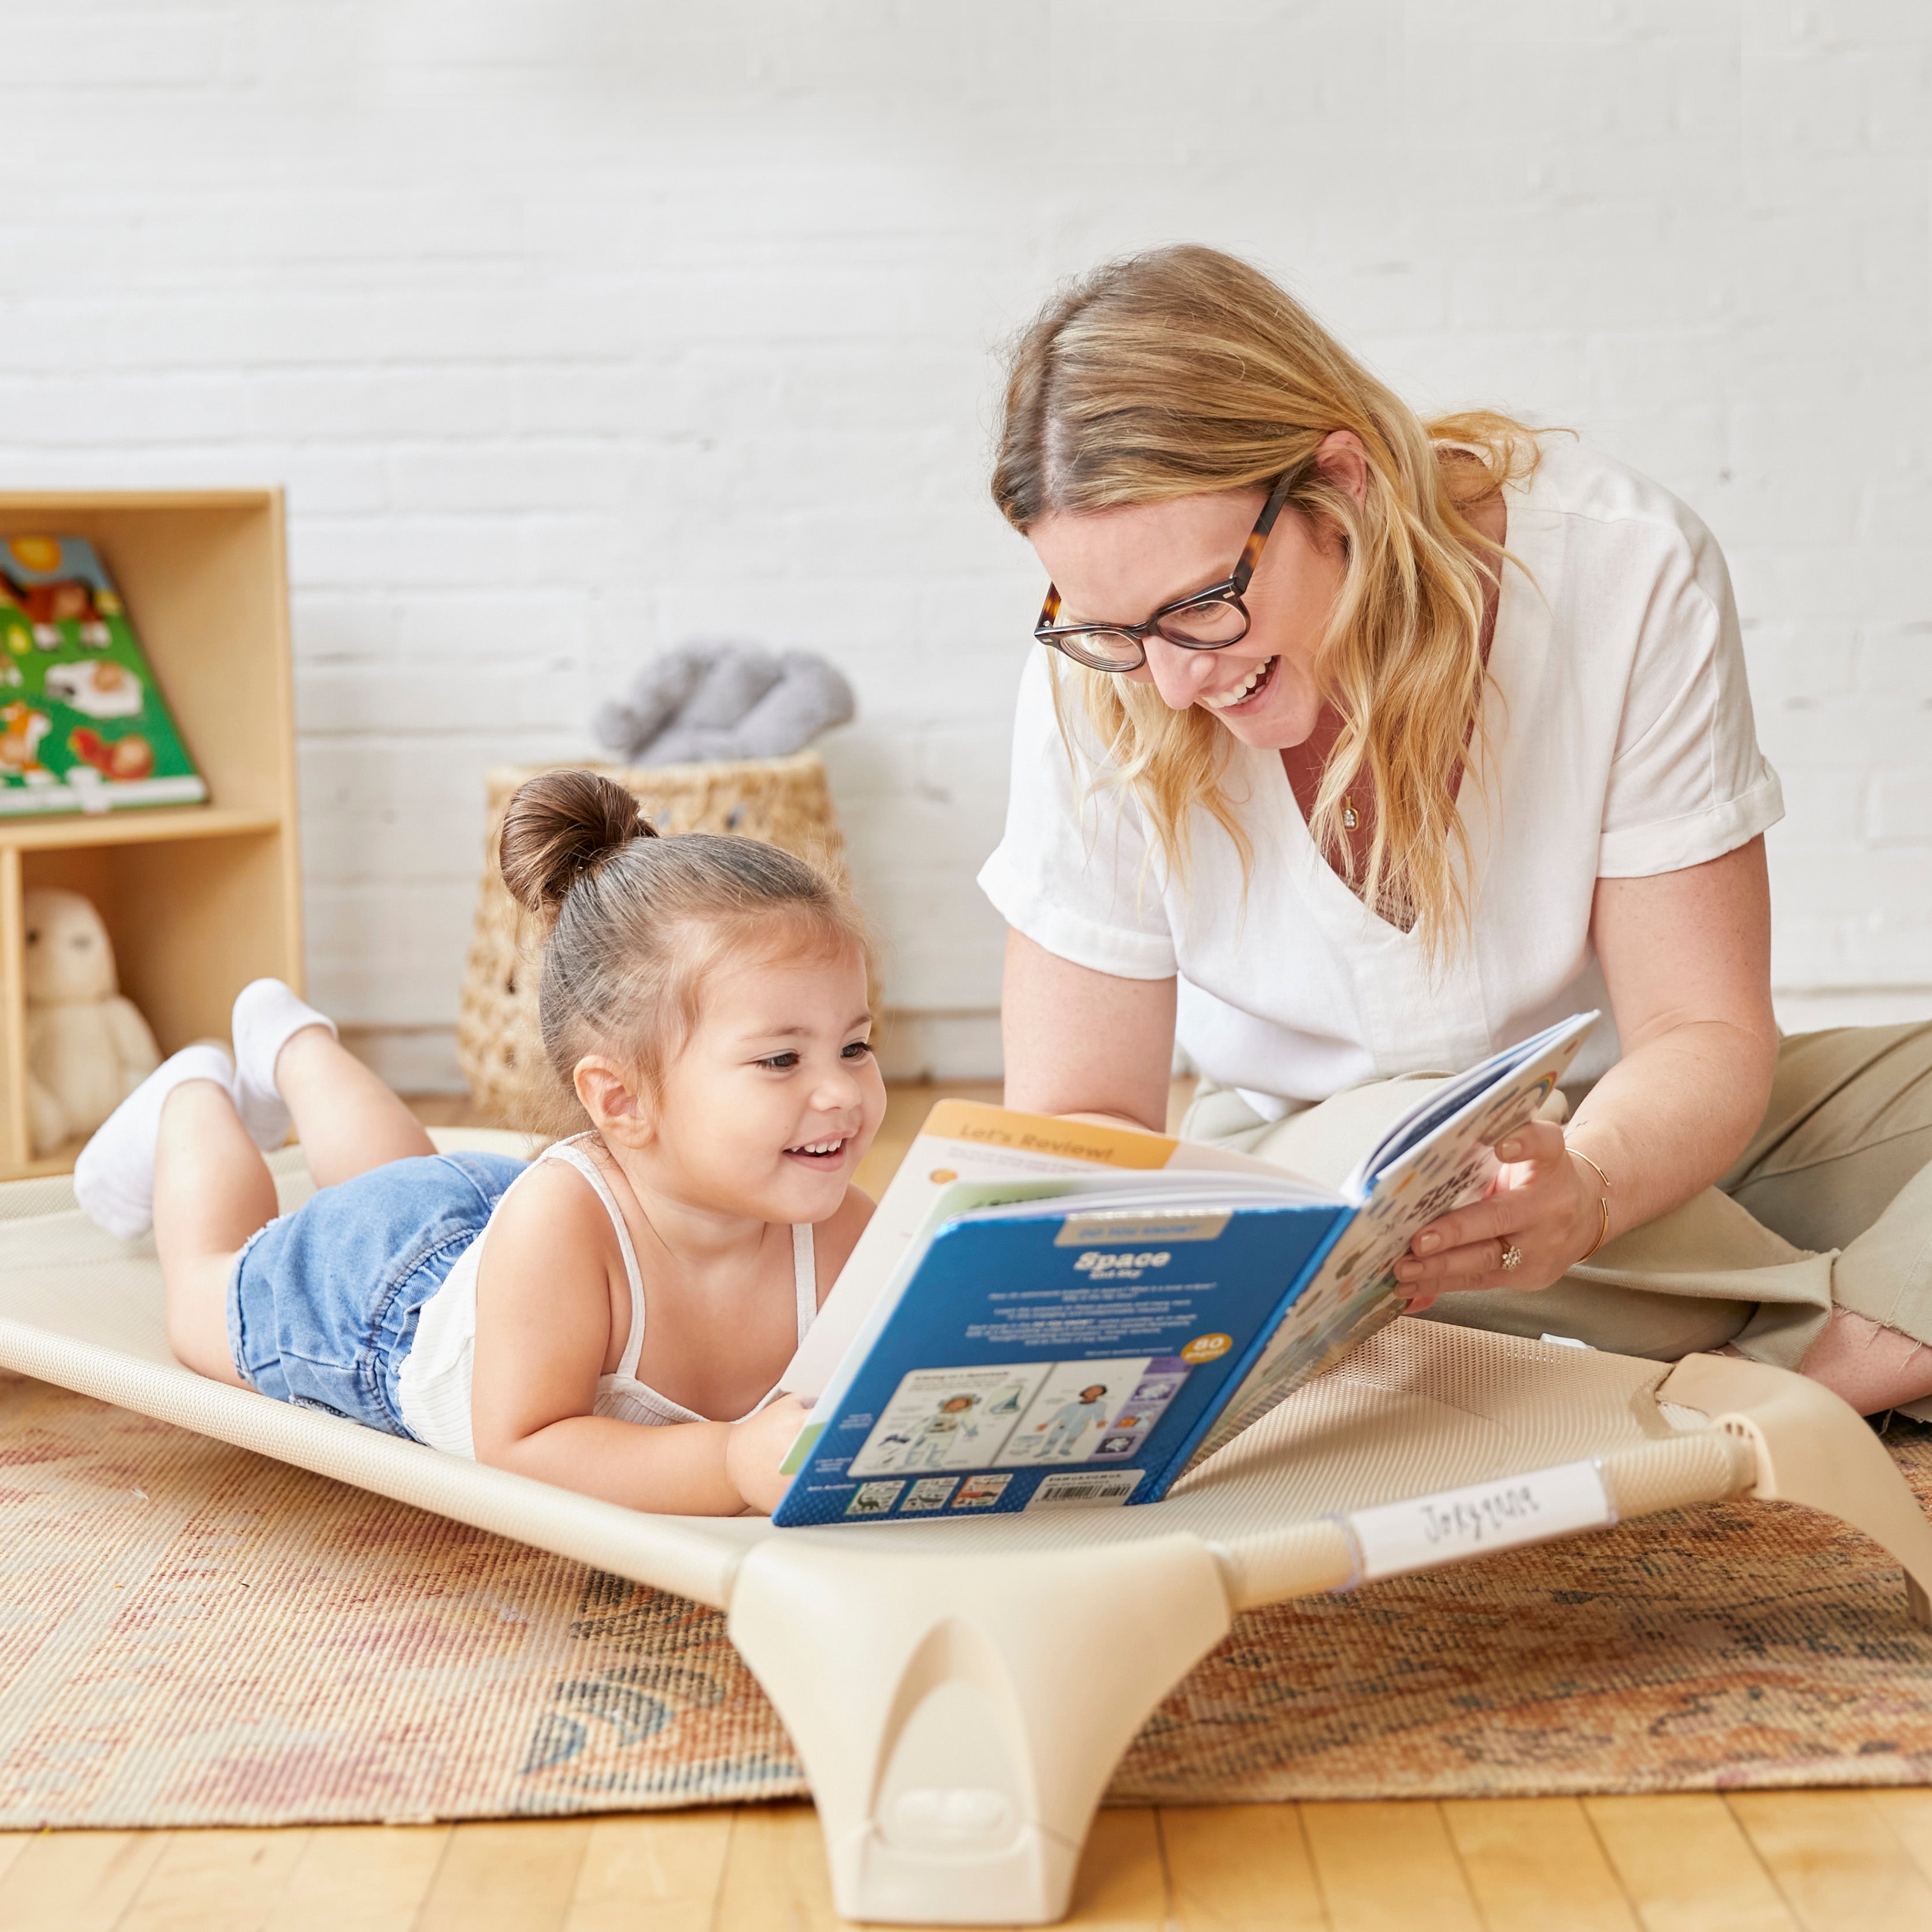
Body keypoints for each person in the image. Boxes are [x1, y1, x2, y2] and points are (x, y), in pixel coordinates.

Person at [979, 244, 1932, 1417]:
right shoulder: (1100, 681)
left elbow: (1699, 1028)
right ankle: (1832, 1323)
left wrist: (1591, 1186)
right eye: (1108, 628)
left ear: (1342, 484)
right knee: (1413, 1166)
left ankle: (1815, 1353)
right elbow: (1083, 1128)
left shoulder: (1624, 568)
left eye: (1202, 606)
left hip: (1626, 1125)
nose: (1171, 682)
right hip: (1310, 1170)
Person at [72, 770, 884, 1514]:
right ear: (622, 1101)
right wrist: (730, 1460)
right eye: (782, 1060)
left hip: (488, 1242)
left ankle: (290, 1042)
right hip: (382, 1310)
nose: (842, 1091)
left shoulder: (843, 1231)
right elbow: (524, 1446)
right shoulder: (563, 1225)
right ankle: (190, 1094)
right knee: (205, 1295)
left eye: (854, 1046)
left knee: (405, 1179)